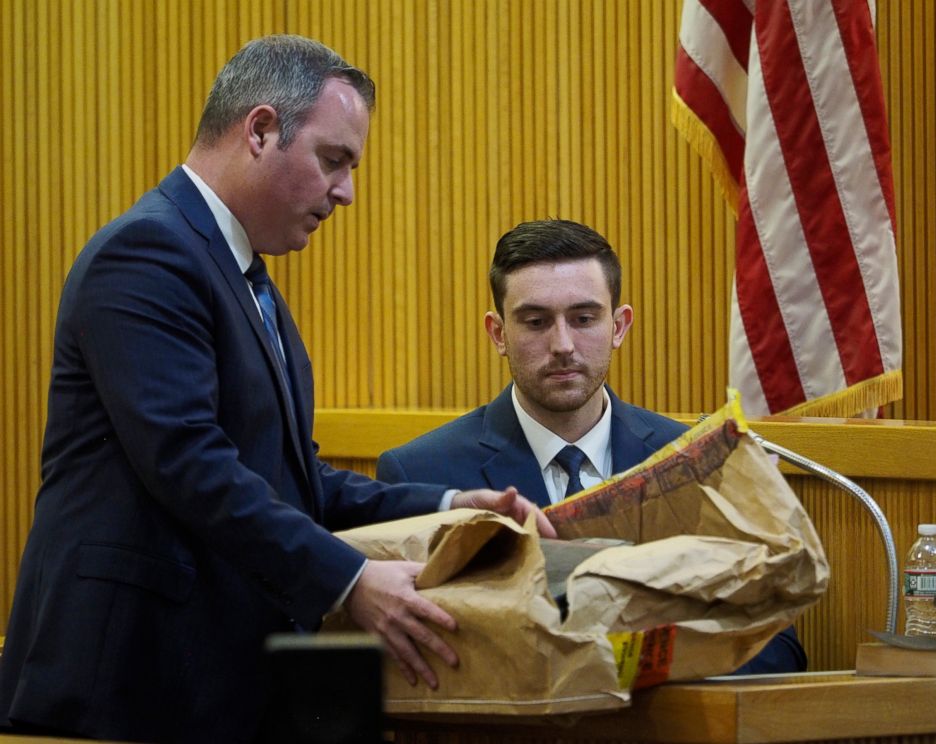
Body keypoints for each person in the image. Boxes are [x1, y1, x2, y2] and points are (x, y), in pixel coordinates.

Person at [0, 36, 552, 742]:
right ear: (260, 130)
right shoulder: (146, 253)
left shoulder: (248, 278)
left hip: (212, 686)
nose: (347, 192)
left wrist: (446, 507)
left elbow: (290, 479)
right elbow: (189, 464)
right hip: (128, 683)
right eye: (334, 160)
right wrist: (350, 581)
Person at [377, 218, 807, 675]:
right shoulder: (420, 474)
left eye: (583, 319)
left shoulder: (699, 463)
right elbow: (415, 660)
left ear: (619, 326)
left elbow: (776, 652)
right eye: (536, 322)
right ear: (499, 333)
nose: (563, 345)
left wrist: (637, 669)